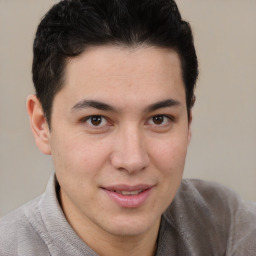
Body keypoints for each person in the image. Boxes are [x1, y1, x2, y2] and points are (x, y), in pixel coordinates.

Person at [0, 0, 255, 255]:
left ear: (188, 121)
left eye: (159, 119)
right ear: (42, 125)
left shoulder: (230, 228)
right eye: (96, 120)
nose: (132, 160)